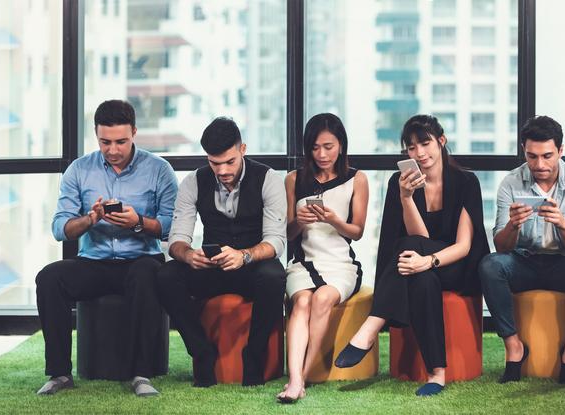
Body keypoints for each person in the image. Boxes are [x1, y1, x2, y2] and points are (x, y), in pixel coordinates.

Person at [333, 115, 489, 397]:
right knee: (421, 278)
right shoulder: (400, 182)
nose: (419, 153)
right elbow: (421, 239)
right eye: (411, 147)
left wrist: (427, 260)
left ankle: (371, 326)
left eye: (425, 144)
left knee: (413, 256)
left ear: (441, 141)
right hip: (424, 263)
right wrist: (406, 198)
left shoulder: (466, 182)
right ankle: (437, 374)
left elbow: (465, 245)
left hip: (458, 266)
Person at [35, 100, 178, 397]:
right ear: (96, 135)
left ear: (135, 133)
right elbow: (60, 228)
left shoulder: (159, 170)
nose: (113, 150)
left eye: (121, 142)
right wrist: (91, 218)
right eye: (105, 142)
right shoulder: (79, 170)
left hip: (141, 259)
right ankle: (60, 373)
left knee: (146, 273)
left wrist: (138, 222)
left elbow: (172, 226)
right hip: (94, 263)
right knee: (49, 277)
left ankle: (141, 374)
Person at [155, 117, 287, 387]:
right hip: (212, 270)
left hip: (251, 267)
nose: (223, 170)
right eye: (215, 163)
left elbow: (276, 242)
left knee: (274, 275)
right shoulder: (193, 181)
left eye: (230, 161)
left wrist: (244, 256)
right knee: (166, 275)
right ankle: (201, 352)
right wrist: (188, 255)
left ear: (243, 150)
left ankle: (254, 356)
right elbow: (177, 239)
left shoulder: (269, 179)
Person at [479, 115, 565, 386]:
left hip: (564, 262)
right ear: (524, 150)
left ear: (561, 151)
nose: (539, 165)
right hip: (524, 263)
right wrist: (513, 224)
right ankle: (514, 348)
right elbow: (501, 246)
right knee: (490, 265)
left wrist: (562, 223)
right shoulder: (510, 183)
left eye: (547, 156)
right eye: (532, 156)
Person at [276, 113, 369, 403]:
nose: (322, 154)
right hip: (303, 263)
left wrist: (333, 219)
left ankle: (300, 378)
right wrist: (300, 222)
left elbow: (357, 231)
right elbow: (288, 234)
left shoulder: (357, 179)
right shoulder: (293, 179)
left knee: (323, 298)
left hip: (341, 264)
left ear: (341, 145)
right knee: (301, 301)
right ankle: (295, 380)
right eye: (315, 148)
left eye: (328, 146)